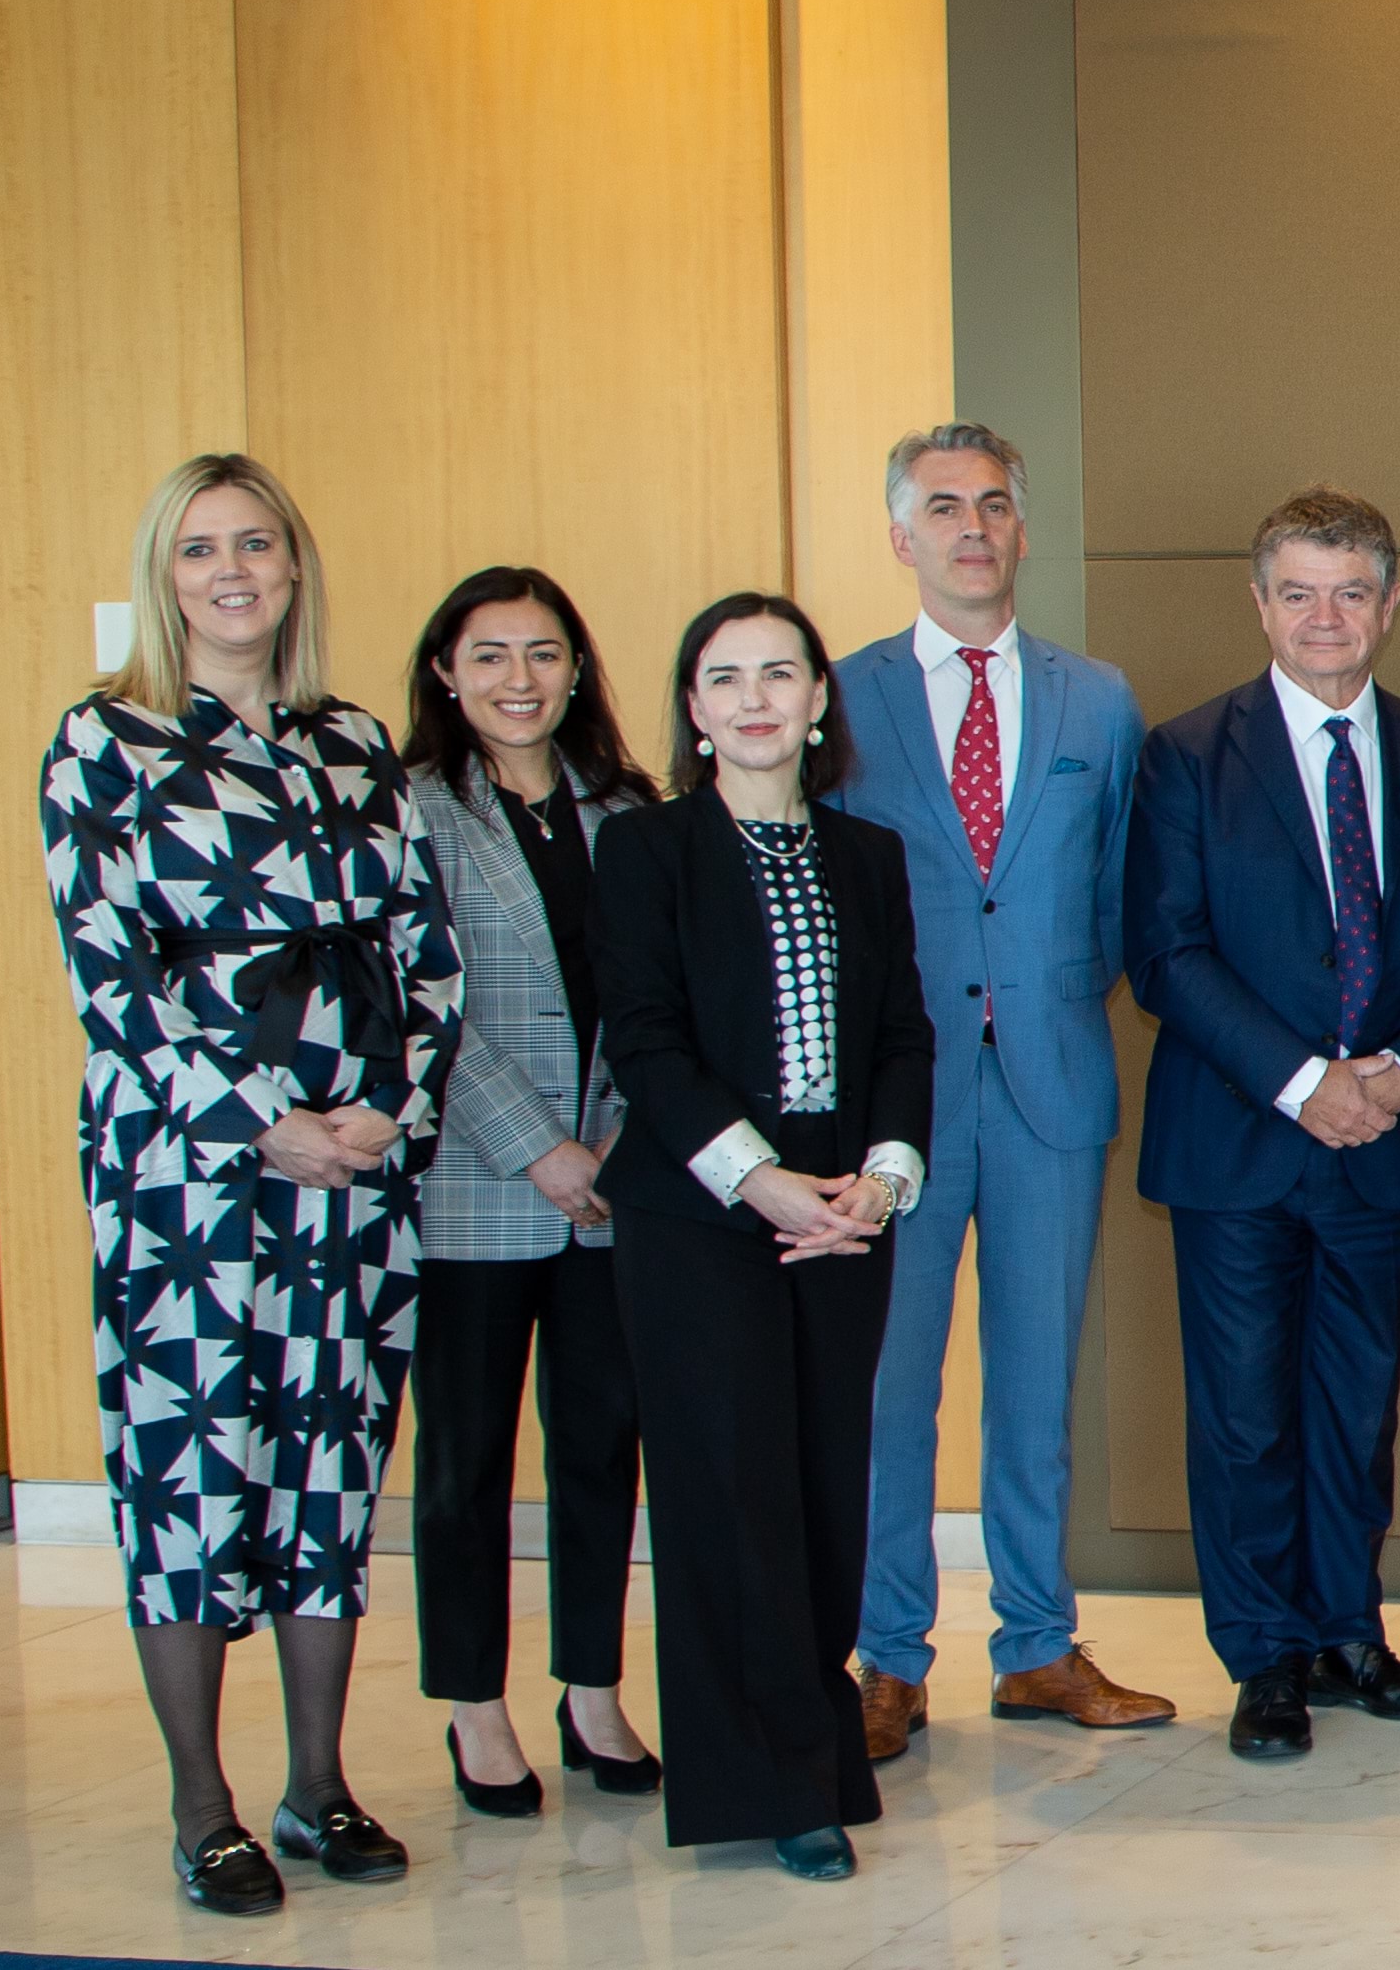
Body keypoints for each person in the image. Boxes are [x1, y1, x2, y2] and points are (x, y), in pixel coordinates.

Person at [42, 453, 461, 1915]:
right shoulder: (102, 743)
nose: (233, 571)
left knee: (328, 1462)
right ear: (166, 573)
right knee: (195, 1470)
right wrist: (263, 1118)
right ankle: (202, 1800)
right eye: (202, 549)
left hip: (352, 1173)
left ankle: (318, 1780)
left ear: (294, 566)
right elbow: (116, 978)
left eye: (259, 545)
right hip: (189, 1181)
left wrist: (383, 1109)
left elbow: (425, 951)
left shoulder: (350, 742)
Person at [1126, 488, 1400, 1762]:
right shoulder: (1186, 753)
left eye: (1350, 592)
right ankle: (1266, 1653)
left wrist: (1396, 1075)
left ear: (1389, 606)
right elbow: (1165, 955)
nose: (1324, 616)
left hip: (1385, 1140)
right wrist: (1305, 1081)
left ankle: (1348, 1631)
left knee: (1356, 1405)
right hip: (1238, 1141)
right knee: (1244, 1412)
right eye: (1298, 591)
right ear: (1260, 602)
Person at [581, 592, 937, 1882]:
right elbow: (646, 1037)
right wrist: (762, 1180)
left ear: (818, 697)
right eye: (723, 678)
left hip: (847, 1215)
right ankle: (770, 1785)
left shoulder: (869, 853)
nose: (753, 699)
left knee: (826, 1488)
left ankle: (817, 1747)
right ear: (692, 708)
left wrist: (878, 1184)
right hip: (701, 1222)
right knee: (731, 1499)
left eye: (778, 673)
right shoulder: (648, 850)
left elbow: (903, 1032)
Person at [825, 424, 1166, 1755]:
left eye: (994, 506)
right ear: (901, 535)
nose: (972, 528)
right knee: (890, 1389)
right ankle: (889, 1654)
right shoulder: (841, 698)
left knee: (1035, 1381)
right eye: (942, 507)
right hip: (894, 1100)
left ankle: (1035, 1642)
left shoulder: (1098, 698)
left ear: (1024, 530)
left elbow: (1130, 883)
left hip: (1050, 1081)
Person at [397, 565, 662, 1818]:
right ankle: (473, 1706)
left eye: (545, 653)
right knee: (465, 1463)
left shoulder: (625, 808)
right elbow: (418, 1005)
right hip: (477, 1188)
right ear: (446, 671)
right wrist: (539, 1148)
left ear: (576, 670)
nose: (520, 679)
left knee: (602, 1449)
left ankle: (593, 1688)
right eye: (491, 655)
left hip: (613, 1191)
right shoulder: (408, 813)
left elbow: (659, 996)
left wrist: (609, 1143)